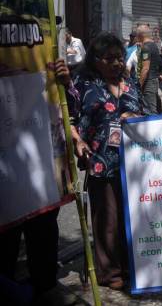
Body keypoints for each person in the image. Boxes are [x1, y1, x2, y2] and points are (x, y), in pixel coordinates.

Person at [0, 59, 79, 305]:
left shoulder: (46, 80)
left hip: (41, 172)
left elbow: (72, 110)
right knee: (6, 241)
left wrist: (65, 83)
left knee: (43, 234)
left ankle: (44, 287)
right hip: (7, 179)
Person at [72, 33, 144, 290]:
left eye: (119, 58)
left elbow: (142, 110)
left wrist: (133, 114)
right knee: (108, 220)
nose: (116, 63)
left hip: (133, 161)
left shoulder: (129, 80)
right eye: (109, 58)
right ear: (95, 59)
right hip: (101, 160)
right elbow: (68, 118)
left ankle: (131, 267)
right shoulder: (83, 82)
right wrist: (77, 141)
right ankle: (109, 273)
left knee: (132, 217)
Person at [136, 24, 160, 114]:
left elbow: (145, 68)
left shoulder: (146, 47)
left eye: (137, 34)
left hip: (149, 81)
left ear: (140, 35)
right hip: (153, 80)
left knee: (150, 110)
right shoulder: (154, 45)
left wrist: (139, 85)